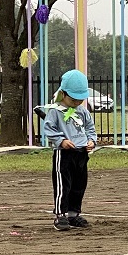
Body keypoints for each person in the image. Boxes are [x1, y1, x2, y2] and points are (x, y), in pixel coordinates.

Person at [43, 69, 97, 231]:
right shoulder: (55, 111)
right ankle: (60, 215)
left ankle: (74, 214)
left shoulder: (83, 112)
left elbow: (90, 128)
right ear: (63, 93)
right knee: (63, 185)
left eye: (80, 100)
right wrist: (61, 141)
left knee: (79, 185)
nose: (77, 103)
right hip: (64, 155)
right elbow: (48, 128)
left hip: (81, 154)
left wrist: (91, 141)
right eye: (73, 99)